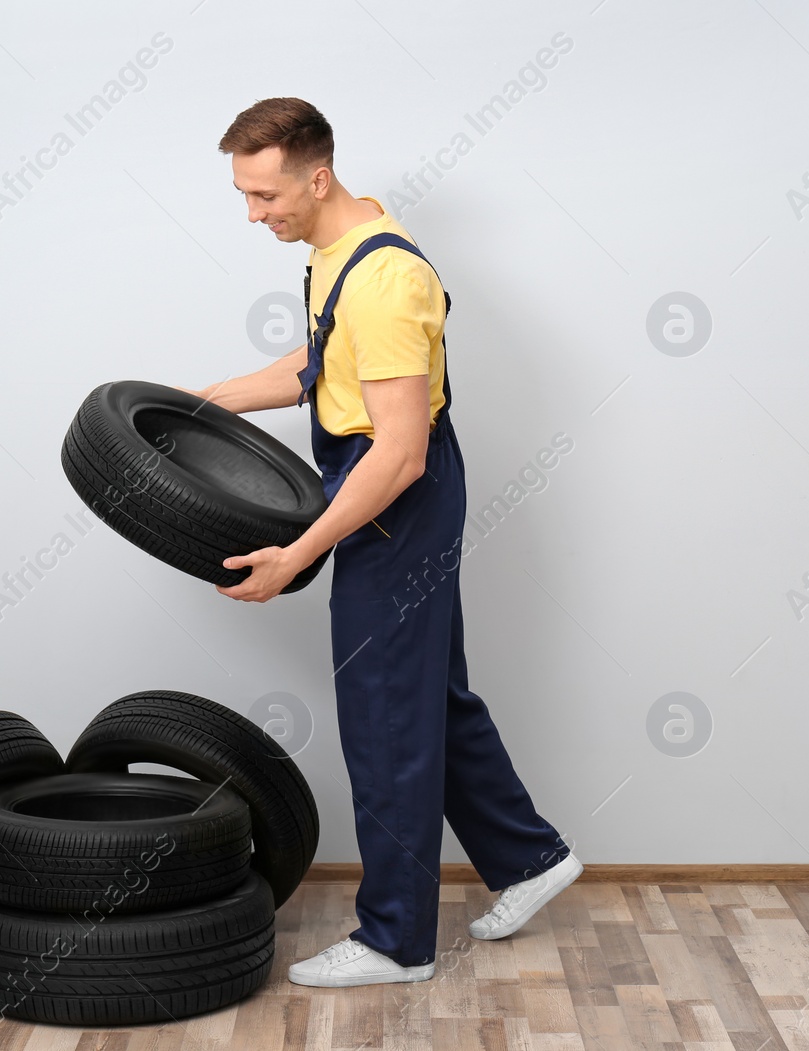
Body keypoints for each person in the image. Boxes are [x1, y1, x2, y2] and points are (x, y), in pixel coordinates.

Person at [180, 97, 581, 988]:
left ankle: (397, 937)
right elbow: (318, 364)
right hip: (384, 479)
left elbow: (397, 453)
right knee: (429, 694)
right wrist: (201, 401)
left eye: (263, 195)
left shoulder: (386, 278)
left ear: (316, 177)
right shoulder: (334, 254)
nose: (253, 214)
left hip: (396, 494)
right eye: (244, 195)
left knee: (386, 717)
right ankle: (529, 857)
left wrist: (300, 553)